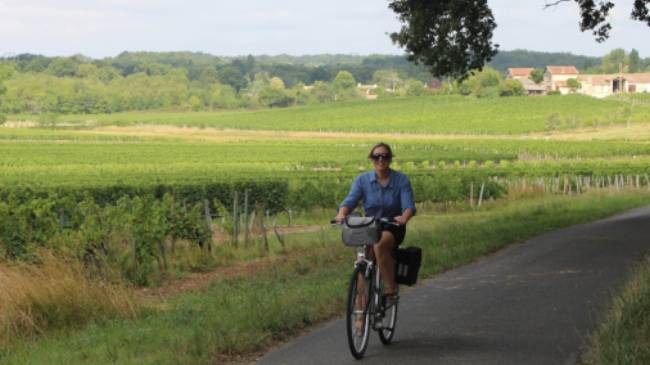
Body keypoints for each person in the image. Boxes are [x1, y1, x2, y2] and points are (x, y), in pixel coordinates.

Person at [335, 142, 416, 299]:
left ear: (390, 159)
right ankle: (359, 314)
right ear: (371, 159)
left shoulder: (401, 180)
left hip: (393, 225)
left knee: (379, 245)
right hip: (370, 225)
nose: (380, 159)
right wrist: (341, 214)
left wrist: (404, 217)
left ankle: (390, 287)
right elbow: (350, 201)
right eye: (376, 156)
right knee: (361, 260)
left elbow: (408, 206)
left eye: (384, 156)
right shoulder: (362, 180)